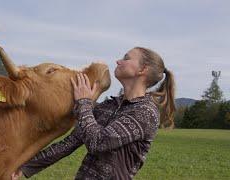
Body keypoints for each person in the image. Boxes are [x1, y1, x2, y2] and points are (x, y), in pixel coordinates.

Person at [11, 47, 176, 180]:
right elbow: (69, 143)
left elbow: (98, 143)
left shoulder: (145, 112)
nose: (118, 61)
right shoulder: (109, 106)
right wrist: (25, 167)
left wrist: (83, 102)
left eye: (126, 58)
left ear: (143, 69)